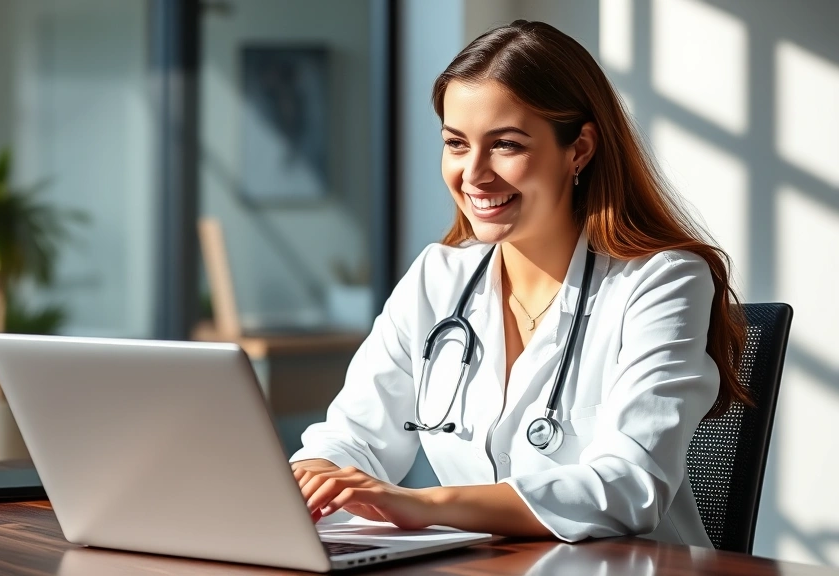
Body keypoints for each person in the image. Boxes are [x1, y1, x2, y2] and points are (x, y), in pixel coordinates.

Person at [289, 20, 750, 548]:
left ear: (579, 149)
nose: (474, 174)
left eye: (505, 145)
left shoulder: (662, 282)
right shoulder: (438, 279)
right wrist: (318, 474)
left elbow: (629, 487)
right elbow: (354, 435)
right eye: (456, 144)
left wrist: (421, 504)